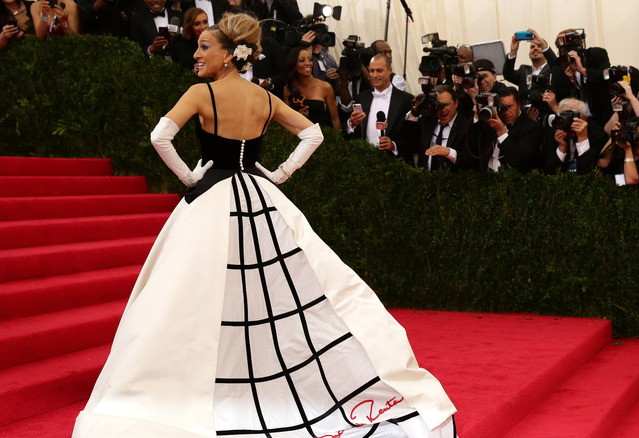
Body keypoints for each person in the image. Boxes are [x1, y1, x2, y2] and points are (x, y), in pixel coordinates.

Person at [72, 12, 457, 438]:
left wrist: (190, 177)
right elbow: (314, 135)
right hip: (260, 196)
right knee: (276, 290)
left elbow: (159, 137)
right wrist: (276, 175)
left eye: (205, 48)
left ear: (228, 55)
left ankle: (200, 379)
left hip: (211, 198)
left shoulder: (202, 92)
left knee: (194, 295)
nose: (197, 54)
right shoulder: (261, 97)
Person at [529, 28, 612, 127]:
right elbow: (554, 65)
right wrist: (573, 82)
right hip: (577, 124)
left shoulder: (596, 55)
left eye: (571, 48)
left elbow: (607, 77)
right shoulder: (561, 68)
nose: (568, 54)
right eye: (563, 50)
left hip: (604, 119)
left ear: (581, 45)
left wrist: (582, 70)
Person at [345, 54, 414, 160]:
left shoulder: (406, 100)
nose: (374, 75)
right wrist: (351, 123)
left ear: (389, 71)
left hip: (396, 165)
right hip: (365, 162)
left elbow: (413, 137)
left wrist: (393, 146)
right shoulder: (362, 98)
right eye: (372, 71)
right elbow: (351, 135)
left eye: (379, 70)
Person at [470, 87, 542, 172]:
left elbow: (518, 160)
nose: (506, 112)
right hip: (486, 178)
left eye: (510, 107)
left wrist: (501, 132)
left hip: (511, 181)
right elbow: (472, 146)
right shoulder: (491, 120)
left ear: (519, 105)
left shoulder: (531, 127)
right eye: (502, 108)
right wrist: (476, 117)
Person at [408, 84, 471, 171]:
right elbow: (406, 136)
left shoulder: (466, 126)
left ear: (456, 103)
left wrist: (449, 153)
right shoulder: (428, 121)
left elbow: (471, 161)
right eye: (438, 106)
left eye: (446, 105)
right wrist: (415, 111)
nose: (443, 110)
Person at [543, 97, 607, 174]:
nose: (567, 120)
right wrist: (561, 148)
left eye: (571, 116)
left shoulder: (597, 135)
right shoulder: (554, 130)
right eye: (563, 115)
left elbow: (589, 173)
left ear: (584, 118)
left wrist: (583, 139)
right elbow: (549, 171)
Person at [598, 116, 639, 188]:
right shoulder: (625, 148)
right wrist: (614, 137)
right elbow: (602, 163)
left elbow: (631, 180)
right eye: (633, 136)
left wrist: (628, 150)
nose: (636, 141)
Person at [283, 45, 340, 129]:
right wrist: (297, 116)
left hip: (322, 138)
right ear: (294, 64)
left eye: (310, 59)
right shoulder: (289, 88)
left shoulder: (325, 87)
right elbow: (285, 120)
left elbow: (335, 120)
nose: (308, 63)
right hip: (298, 136)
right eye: (302, 60)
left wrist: (336, 141)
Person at [168, 6, 208, 72]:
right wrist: (193, 72)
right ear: (189, 26)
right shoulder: (179, 43)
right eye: (197, 24)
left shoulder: (214, 41)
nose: (203, 27)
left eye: (205, 22)